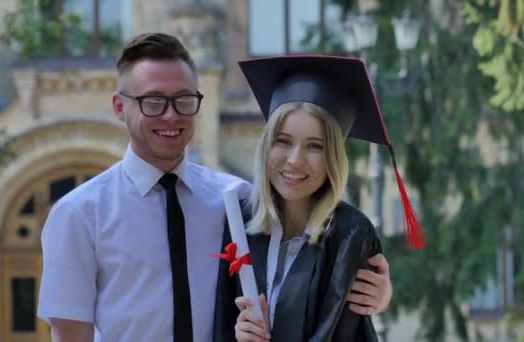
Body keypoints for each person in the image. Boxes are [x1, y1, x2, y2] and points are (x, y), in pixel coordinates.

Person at [37, 33, 394, 342]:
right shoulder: (78, 214)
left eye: (184, 100)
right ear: (119, 105)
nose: (171, 115)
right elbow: (70, 333)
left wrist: (375, 294)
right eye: (153, 101)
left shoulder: (237, 203)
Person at [220, 55, 426, 341]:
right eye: (283, 141)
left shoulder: (349, 236)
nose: (294, 160)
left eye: (315, 146)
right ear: (266, 146)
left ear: (333, 159)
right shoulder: (238, 223)